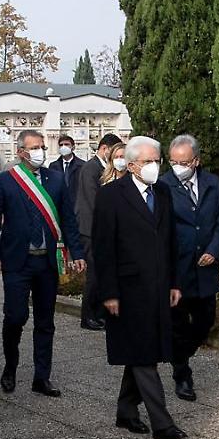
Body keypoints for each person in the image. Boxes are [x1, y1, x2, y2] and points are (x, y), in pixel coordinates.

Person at [94, 136, 186, 439]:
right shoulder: (110, 196)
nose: (154, 166)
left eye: (157, 161)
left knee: (142, 350)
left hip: (158, 286)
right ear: (132, 165)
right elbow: (103, 248)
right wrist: (108, 293)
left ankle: (125, 410)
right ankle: (162, 423)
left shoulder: (162, 192)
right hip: (127, 288)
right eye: (148, 162)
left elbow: (170, 239)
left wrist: (174, 282)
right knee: (144, 354)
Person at [0, 130, 86, 396]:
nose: (40, 151)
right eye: (34, 147)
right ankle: (10, 366)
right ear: (21, 153)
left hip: (46, 263)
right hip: (18, 262)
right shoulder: (6, 181)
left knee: (45, 322)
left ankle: (42, 377)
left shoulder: (56, 179)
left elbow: (69, 220)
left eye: (42, 146)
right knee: (16, 317)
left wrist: (77, 253)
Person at [159, 134, 219, 402]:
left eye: (185, 162)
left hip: (206, 267)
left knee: (205, 321)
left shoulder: (212, 183)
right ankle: (182, 376)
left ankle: (179, 353)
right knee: (178, 323)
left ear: (196, 161)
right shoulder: (164, 185)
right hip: (178, 269)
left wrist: (214, 249)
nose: (179, 167)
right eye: (174, 161)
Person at [76, 132, 123, 330]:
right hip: (90, 229)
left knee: (104, 273)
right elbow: (92, 201)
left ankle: (100, 313)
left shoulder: (104, 169)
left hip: (101, 228)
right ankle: (88, 316)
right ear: (105, 149)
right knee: (94, 274)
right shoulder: (90, 168)